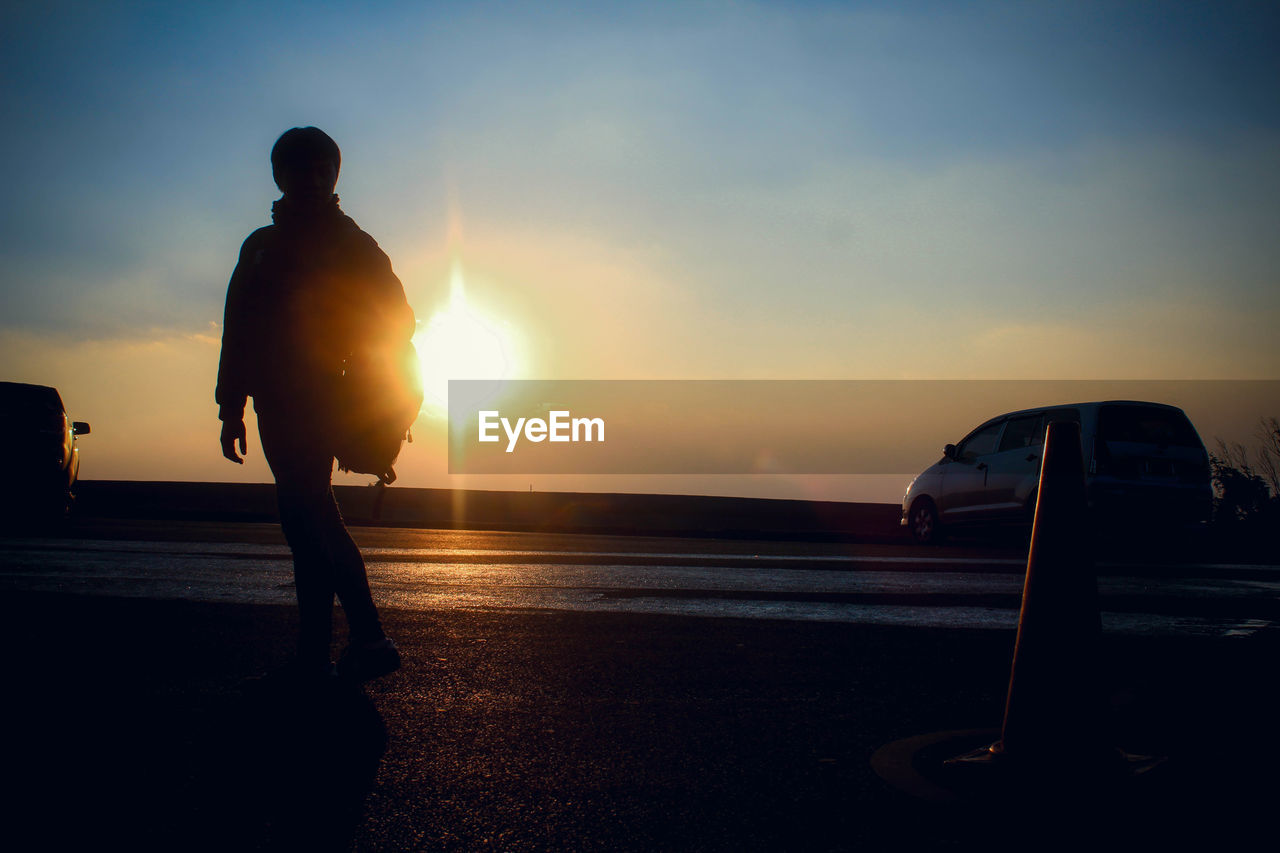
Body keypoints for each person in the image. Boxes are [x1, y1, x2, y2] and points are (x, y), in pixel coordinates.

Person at [216, 127, 412, 684]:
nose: (312, 177)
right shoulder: (261, 246)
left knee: (305, 519)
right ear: (280, 175)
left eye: (322, 167)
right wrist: (230, 404)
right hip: (276, 402)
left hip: (323, 399)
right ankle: (361, 642)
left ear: (334, 175)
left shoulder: (352, 246)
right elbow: (239, 330)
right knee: (312, 516)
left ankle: (322, 653)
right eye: (301, 168)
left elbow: (398, 321)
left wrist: (344, 353)